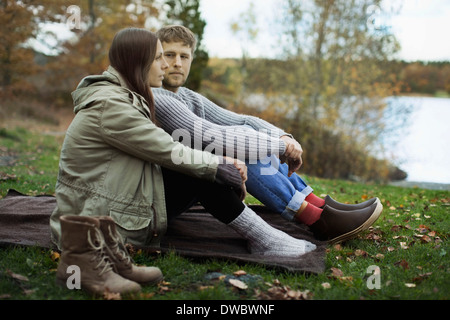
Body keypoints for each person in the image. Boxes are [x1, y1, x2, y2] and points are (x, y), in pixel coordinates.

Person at [50, 27, 317, 295]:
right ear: (137, 61)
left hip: (112, 201)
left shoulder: (124, 95)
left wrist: (229, 158)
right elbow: (169, 150)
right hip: (97, 216)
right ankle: (267, 239)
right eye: (159, 58)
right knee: (200, 170)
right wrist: (220, 165)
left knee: (208, 163)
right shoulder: (113, 105)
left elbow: (231, 123)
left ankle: (297, 216)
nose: (166, 65)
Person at [152, 25, 383, 245]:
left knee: (251, 138)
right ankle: (314, 219)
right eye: (169, 55)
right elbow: (212, 136)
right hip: (162, 197)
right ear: (157, 57)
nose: (176, 63)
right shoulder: (157, 96)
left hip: (192, 181)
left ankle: (317, 205)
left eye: (184, 56)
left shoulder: (187, 96)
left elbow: (241, 120)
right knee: (241, 147)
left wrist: (283, 137)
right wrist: (277, 147)